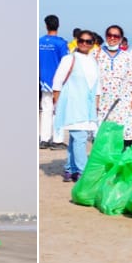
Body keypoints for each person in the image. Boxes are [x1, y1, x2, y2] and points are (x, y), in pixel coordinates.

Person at [52, 30, 100, 182]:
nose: (84, 44)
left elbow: (97, 84)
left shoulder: (93, 61)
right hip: (73, 104)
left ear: (93, 44)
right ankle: (82, 171)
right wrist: (57, 102)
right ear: (77, 41)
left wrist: (97, 103)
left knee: (76, 138)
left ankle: (70, 169)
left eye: (88, 41)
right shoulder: (69, 59)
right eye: (81, 40)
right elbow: (57, 81)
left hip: (88, 106)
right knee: (80, 137)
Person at [96, 24, 132, 143]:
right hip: (103, 99)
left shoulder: (126, 56)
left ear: (120, 38)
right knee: (103, 132)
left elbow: (131, 78)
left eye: (116, 36)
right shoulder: (97, 54)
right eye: (109, 35)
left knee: (124, 132)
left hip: (122, 100)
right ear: (106, 36)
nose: (112, 38)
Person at [40, 15, 70, 150]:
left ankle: (44, 139)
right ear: (58, 26)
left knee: (46, 110)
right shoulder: (61, 43)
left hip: (43, 81)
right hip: (58, 82)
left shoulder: (39, 42)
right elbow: (67, 62)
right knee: (58, 111)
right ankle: (57, 140)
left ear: (46, 26)